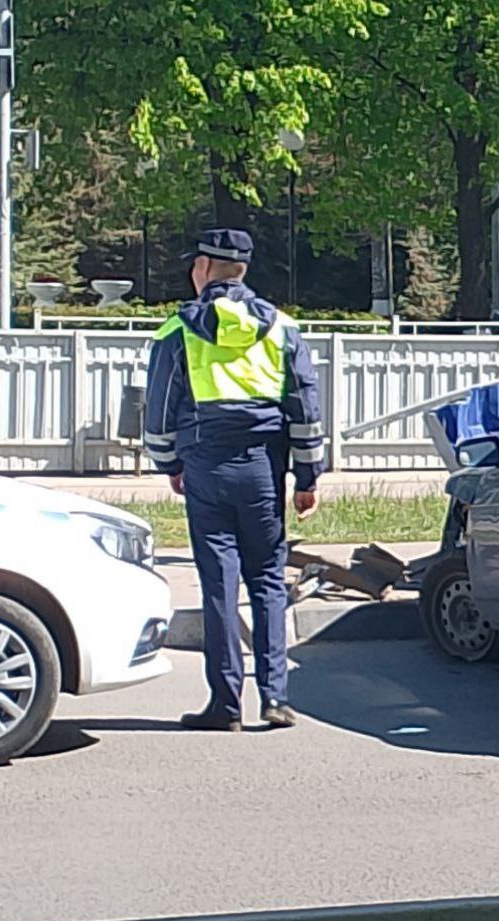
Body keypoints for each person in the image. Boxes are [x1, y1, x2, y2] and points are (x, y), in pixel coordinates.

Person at [143, 229, 326, 732]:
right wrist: (307, 475)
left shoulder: (176, 330)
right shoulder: (283, 329)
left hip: (206, 466)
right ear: (241, 270)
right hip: (265, 468)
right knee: (268, 578)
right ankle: (276, 698)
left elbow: (158, 411)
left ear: (204, 268)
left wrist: (170, 465)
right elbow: (306, 408)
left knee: (219, 584)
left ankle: (224, 705)